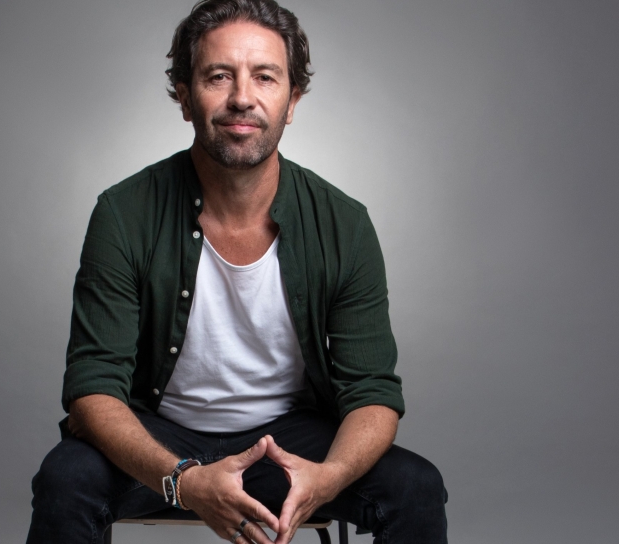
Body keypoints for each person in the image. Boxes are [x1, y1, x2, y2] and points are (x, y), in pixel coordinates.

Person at [26, 0, 448, 542]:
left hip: (290, 444)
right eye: (219, 76)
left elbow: (371, 392)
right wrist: (185, 481)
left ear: (292, 101)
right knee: (66, 478)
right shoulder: (123, 213)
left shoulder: (344, 222)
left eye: (265, 77)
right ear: (185, 97)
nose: (242, 97)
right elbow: (93, 388)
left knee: (415, 485)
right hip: (162, 435)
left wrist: (328, 478)